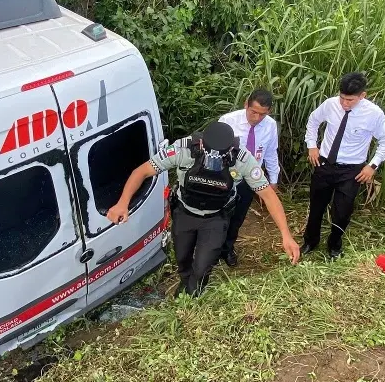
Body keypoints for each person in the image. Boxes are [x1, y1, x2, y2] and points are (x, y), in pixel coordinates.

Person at [106, 121, 300, 297]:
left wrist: (286, 235)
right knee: (182, 258)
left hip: (216, 218)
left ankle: (195, 289)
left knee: (203, 265)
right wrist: (122, 203)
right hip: (185, 213)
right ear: (201, 144)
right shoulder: (183, 149)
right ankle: (185, 281)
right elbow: (141, 171)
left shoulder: (241, 159)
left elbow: (267, 195)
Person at [301, 72, 385, 260]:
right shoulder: (330, 104)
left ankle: (334, 246)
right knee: (317, 206)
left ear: (362, 96)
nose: (344, 103)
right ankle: (310, 241)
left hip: (352, 170)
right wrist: (312, 145)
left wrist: (372, 166)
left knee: (342, 211)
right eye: (342, 98)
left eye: (350, 100)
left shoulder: (373, 114)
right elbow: (313, 121)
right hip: (324, 164)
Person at [217, 89, 280, 267]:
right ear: (246, 104)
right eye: (254, 112)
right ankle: (212, 249)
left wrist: (273, 180)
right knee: (220, 214)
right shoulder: (228, 121)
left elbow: (270, 153)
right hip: (227, 176)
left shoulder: (270, 125)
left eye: (262, 114)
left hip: (251, 178)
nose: (257, 118)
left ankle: (227, 248)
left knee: (238, 215)